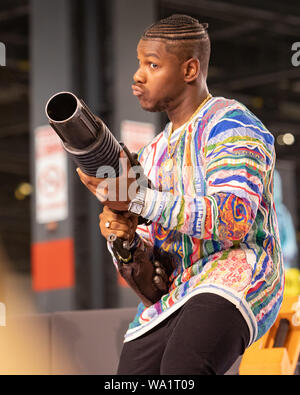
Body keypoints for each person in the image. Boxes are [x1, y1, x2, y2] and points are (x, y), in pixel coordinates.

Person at [77, 14, 284, 375]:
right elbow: (150, 278)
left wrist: (138, 199)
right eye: (139, 64)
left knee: (183, 367)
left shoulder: (231, 123)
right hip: (177, 292)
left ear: (190, 70)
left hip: (235, 273)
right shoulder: (151, 154)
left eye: (153, 65)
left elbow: (232, 218)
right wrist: (122, 239)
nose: (138, 76)